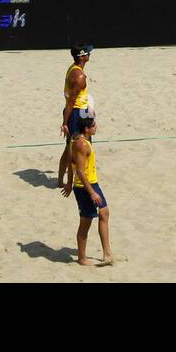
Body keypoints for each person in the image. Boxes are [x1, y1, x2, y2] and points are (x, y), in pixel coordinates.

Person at [62, 113, 112, 267]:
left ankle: (108, 254)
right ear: (87, 129)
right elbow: (80, 171)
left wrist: (69, 183)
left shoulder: (82, 140)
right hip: (84, 187)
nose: (96, 127)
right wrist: (91, 192)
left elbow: (72, 164)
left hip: (92, 183)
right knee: (86, 221)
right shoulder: (81, 145)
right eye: (93, 126)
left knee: (104, 212)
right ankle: (82, 258)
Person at [58, 45, 94, 188]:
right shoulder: (79, 76)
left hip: (77, 110)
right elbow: (71, 101)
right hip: (77, 113)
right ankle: (72, 181)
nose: (90, 54)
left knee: (71, 146)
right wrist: (65, 123)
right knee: (75, 147)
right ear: (82, 56)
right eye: (87, 53)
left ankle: (62, 180)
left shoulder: (73, 68)